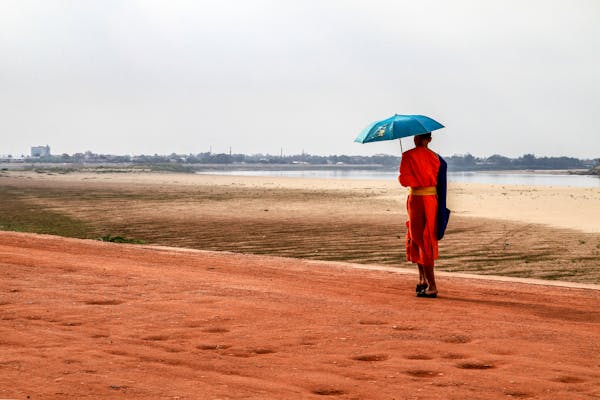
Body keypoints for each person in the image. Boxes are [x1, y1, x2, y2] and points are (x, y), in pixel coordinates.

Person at [398, 132, 449, 298]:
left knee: (417, 238)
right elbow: (442, 187)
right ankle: (423, 281)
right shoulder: (438, 159)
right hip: (431, 200)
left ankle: (430, 284)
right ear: (430, 139)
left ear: (415, 139)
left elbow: (404, 181)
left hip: (415, 200)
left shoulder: (408, 156)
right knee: (424, 238)